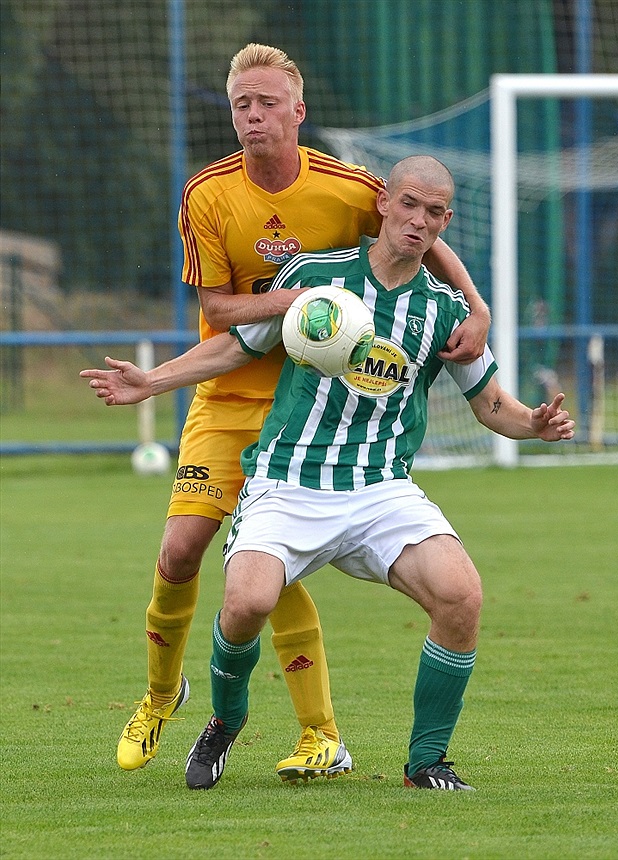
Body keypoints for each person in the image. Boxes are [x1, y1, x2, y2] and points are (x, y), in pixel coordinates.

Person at [82, 155, 574, 791]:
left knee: (462, 597)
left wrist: (533, 425)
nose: (417, 221)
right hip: (288, 481)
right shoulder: (316, 282)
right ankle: (226, 720)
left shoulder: (445, 313)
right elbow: (237, 344)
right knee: (246, 603)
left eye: (433, 213)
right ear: (384, 205)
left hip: (380, 492)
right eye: (408, 205)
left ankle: (427, 763)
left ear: (444, 222)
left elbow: (492, 406)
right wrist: (151, 380)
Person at [111, 43, 492, 781]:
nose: (253, 116)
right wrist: (311, 300)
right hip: (227, 391)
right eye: (240, 105)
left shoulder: (351, 187)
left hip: (307, 400)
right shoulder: (207, 195)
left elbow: (416, 225)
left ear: (298, 111)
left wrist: (475, 306)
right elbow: (218, 311)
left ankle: (322, 734)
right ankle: (162, 695)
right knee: (180, 552)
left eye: (266, 103)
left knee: (269, 573)